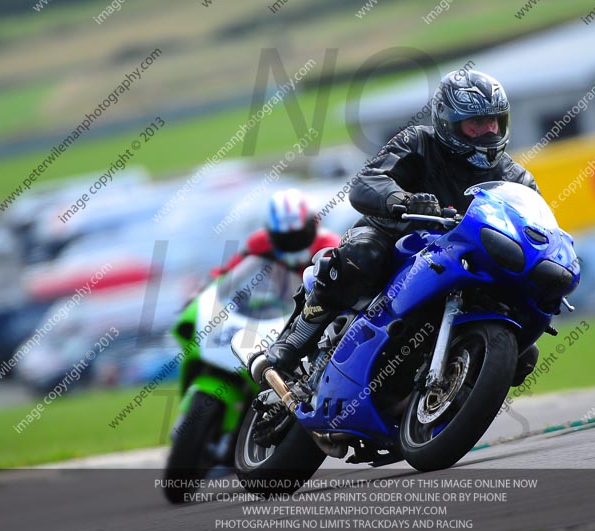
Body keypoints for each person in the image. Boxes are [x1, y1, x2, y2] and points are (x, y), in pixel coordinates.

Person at [251, 70, 540, 387]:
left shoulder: (516, 179)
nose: (488, 131)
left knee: (525, 352)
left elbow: (534, 222)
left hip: (469, 258)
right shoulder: (417, 142)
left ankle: (449, 393)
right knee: (362, 257)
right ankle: (294, 341)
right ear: (448, 122)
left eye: (494, 122)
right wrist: (403, 200)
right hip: (396, 238)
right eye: (476, 124)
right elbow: (367, 181)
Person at [211, 188, 341, 279]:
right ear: (271, 233)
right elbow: (225, 274)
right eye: (284, 238)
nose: (292, 243)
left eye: (298, 236)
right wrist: (207, 283)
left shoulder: (330, 248)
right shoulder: (260, 242)